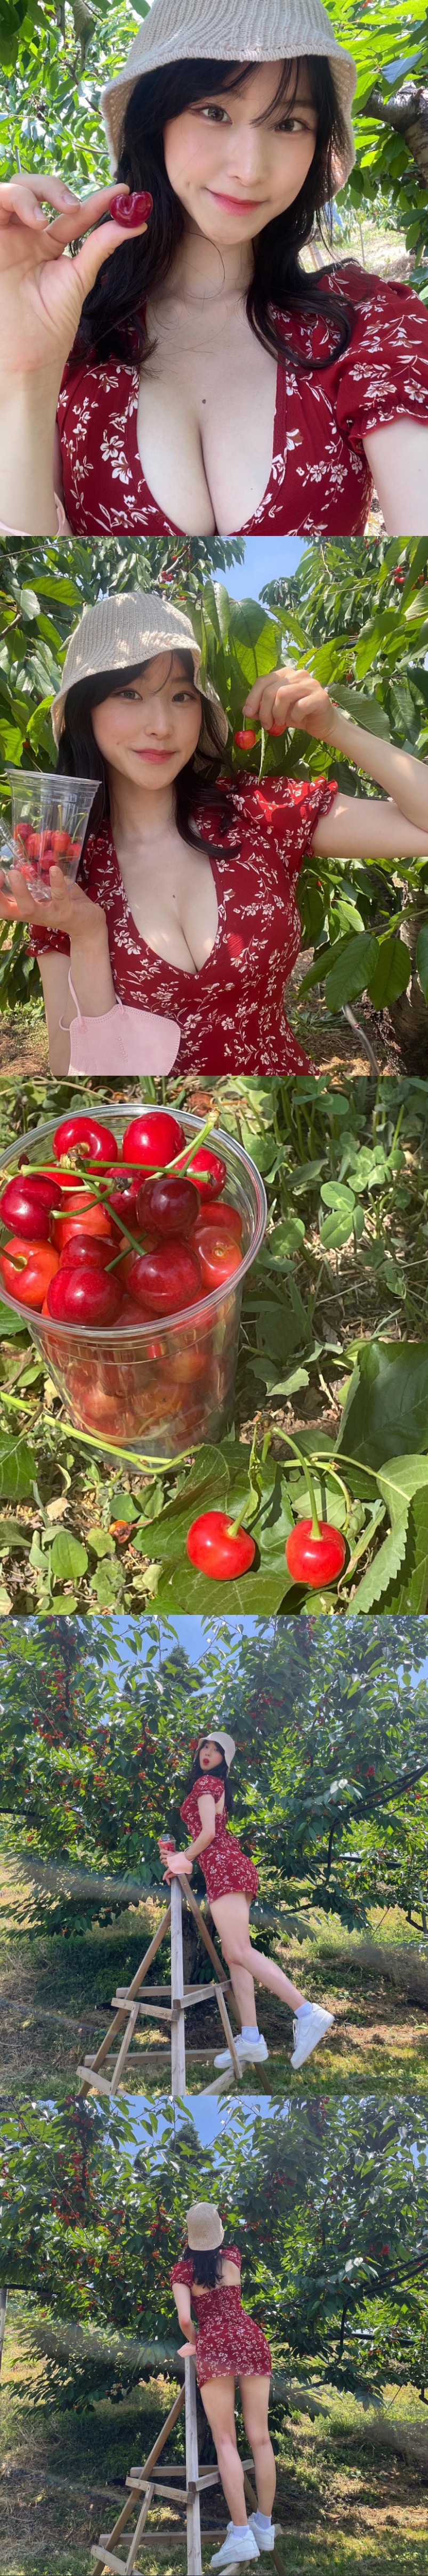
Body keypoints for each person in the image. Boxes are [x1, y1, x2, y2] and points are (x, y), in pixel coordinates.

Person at [2, 0, 428, 540]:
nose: (248, 169)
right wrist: (24, 374)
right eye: (213, 111)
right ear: (155, 119)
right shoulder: (74, 336)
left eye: (288, 122)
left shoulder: (364, 322)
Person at [3, 585, 428, 1077]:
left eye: (181, 695)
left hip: (289, 1118)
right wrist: (88, 935)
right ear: (86, 709)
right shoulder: (66, 872)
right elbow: (73, 1070)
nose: (161, 724)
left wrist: (334, 726)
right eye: (129, 692)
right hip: (165, 1140)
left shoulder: (254, 812)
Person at [159, 1729, 333, 2072]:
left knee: (238, 1951)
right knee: (234, 1954)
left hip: (226, 1868)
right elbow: (209, 1837)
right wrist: (183, 1857)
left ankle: (307, 2012)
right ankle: (251, 2038)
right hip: (227, 1867)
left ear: (225, 1760)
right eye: (204, 1747)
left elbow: (208, 1834)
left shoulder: (206, 1785)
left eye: (215, 1750)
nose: (207, 1753)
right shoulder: (212, 1786)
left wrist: (185, 1859)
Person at [170, 2197, 275, 2565]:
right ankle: (264, 2523)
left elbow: (186, 2319)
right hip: (249, 2336)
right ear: (218, 2233)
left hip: (214, 2342)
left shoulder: (182, 2272)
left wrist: (196, 2342)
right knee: (260, 2437)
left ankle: (242, 2532)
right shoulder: (232, 2255)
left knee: (226, 2439)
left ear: (189, 2235)